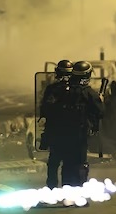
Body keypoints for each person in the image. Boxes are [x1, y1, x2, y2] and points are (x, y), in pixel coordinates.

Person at [43, 61, 104, 192]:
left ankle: (57, 190)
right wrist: (100, 101)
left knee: (60, 163)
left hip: (59, 134)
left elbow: (45, 109)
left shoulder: (58, 90)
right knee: (78, 164)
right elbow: (100, 112)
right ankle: (77, 191)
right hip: (78, 136)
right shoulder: (87, 92)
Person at [39, 59, 73, 189]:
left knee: (54, 162)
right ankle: (66, 188)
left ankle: (53, 188)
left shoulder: (52, 89)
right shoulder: (77, 90)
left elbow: (45, 109)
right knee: (67, 163)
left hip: (56, 131)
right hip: (70, 132)